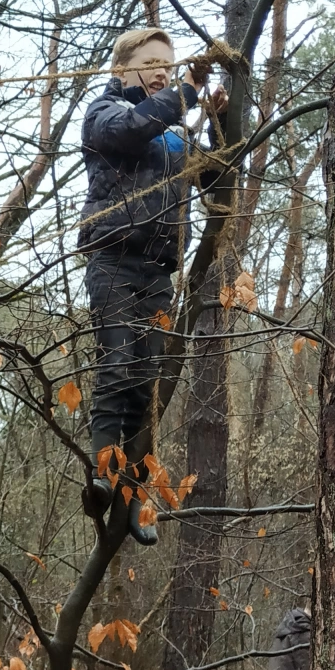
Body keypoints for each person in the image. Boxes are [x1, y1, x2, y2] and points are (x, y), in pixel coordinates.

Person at [78, 27, 226, 546]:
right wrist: (185, 93)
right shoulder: (105, 113)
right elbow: (133, 128)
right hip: (114, 259)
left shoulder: (175, 137)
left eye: (169, 63)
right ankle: (101, 475)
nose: (163, 70)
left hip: (158, 271)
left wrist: (219, 124)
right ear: (122, 69)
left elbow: (215, 180)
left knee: (148, 388)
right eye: (151, 62)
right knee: (117, 367)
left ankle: (134, 493)